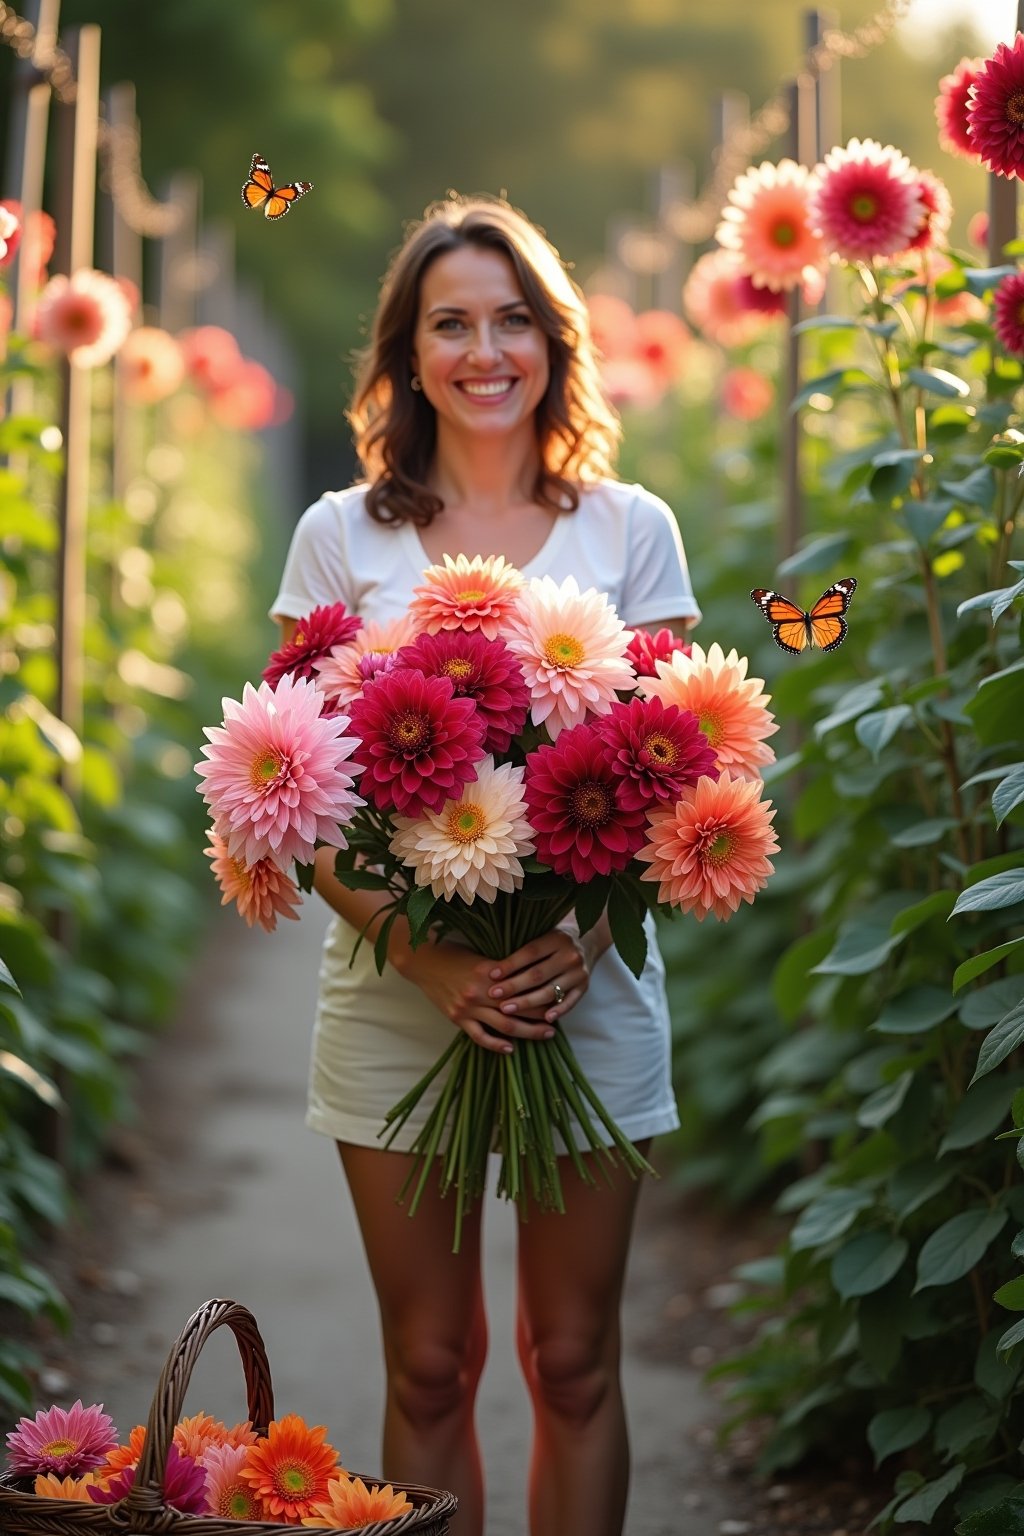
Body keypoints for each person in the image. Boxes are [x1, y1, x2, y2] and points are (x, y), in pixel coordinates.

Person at [270, 193, 701, 1536]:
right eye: (450, 323)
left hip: (591, 992)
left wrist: (570, 943)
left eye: (514, 319)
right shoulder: (343, 536)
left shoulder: (632, 528)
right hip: (400, 996)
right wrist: (435, 958)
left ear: (554, 343)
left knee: (570, 1362)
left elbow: (682, 779)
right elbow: (285, 798)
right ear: (407, 353)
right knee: (430, 1362)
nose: (486, 350)